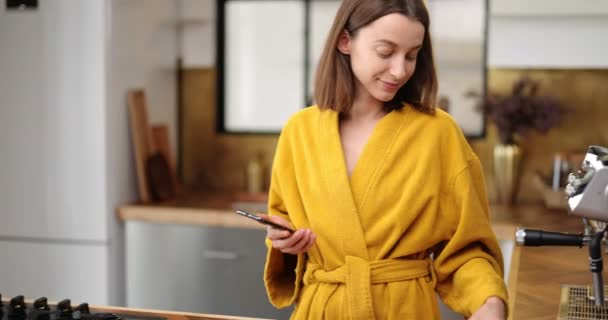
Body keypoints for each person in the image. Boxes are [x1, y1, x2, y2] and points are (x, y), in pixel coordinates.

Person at [259, 0, 508, 319]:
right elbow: (285, 226)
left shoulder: (438, 134)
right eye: (385, 51)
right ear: (345, 41)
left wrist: (489, 303)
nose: (400, 70)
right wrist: (283, 241)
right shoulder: (299, 132)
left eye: (412, 55)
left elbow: (467, 250)